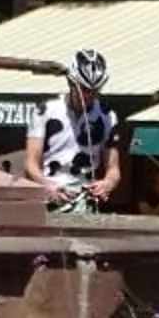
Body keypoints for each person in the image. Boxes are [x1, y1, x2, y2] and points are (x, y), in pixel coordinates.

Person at [26, 50, 122, 216]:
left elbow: (113, 169)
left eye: (94, 91)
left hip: (84, 195)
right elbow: (30, 164)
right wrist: (46, 185)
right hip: (50, 193)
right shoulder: (45, 111)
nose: (88, 96)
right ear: (72, 83)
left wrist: (107, 183)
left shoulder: (107, 116)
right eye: (84, 90)